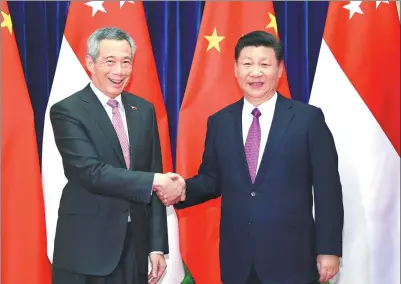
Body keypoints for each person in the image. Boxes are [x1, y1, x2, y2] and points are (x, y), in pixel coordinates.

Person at [157, 31, 344, 284]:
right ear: (235, 69)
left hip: (293, 257)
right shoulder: (220, 121)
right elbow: (212, 179)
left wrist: (329, 249)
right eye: (247, 64)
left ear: (279, 70)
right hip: (239, 260)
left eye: (264, 64)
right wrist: (181, 190)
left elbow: (328, 189)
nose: (255, 73)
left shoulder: (307, 119)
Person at [50, 27, 183, 284]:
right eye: (109, 61)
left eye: (126, 62)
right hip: (86, 249)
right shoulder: (68, 111)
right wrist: (155, 180)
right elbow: (90, 172)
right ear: (90, 63)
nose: (119, 71)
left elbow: (153, 169)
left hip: (134, 247)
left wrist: (156, 245)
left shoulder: (143, 110)